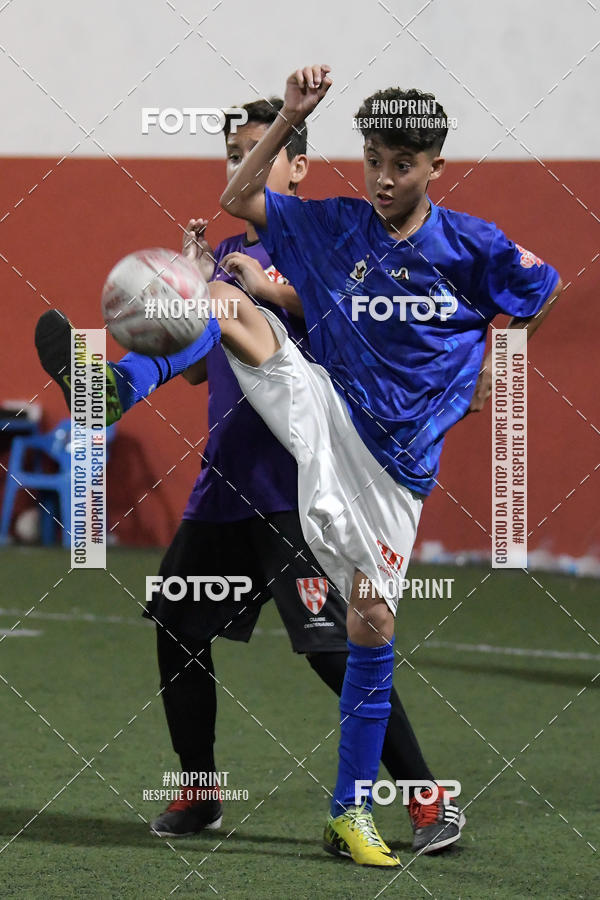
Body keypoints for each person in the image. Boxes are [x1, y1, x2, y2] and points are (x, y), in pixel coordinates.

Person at [139, 64, 559, 866]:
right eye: (374, 159)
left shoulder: (416, 245)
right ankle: (201, 788)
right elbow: (212, 316)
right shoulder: (288, 235)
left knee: (352, 640)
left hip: (348, 469)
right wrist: (195, 285)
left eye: (403, 164)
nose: (385, 178)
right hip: (272, 446)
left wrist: (497, 362)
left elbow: (536, 292)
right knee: (179, 619)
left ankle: (401, 800)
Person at [35, 97, 458, 856]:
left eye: (257, 150)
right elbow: (203, 371)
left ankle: (430, 801)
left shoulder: (335, 248)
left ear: (296, 164)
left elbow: (359, 326)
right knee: (175, 622)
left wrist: (260, 291)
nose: (242, 163)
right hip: (226, 488)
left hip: (306, 491)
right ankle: (199, 793)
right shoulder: (228, 250)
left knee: (340, 652)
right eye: (234, 150)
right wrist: (184, 299)